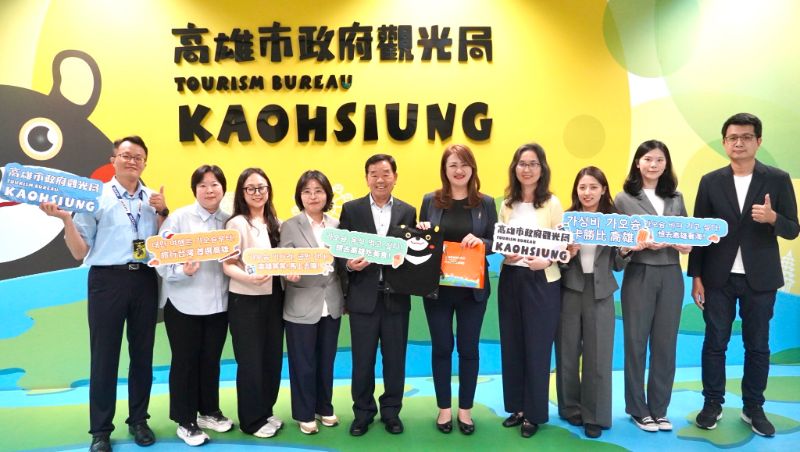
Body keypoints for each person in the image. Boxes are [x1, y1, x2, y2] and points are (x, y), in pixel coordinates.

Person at [39, 136, 168, 452]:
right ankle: (100, 431)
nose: (132, 161)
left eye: (138, 156)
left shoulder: (153, 199)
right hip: (106, 281)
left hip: (144, 280)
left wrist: (164, 212)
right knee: (104, 358)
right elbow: (79, 251)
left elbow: (162, 244)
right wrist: (66, 219)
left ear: (145, 163)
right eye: (126, 155)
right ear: (113, 160)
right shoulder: (95, 197)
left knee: (143, 356)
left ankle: (139, 420)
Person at [690, 113, 799, 436]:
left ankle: (753, 407)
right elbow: (699, 233)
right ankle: (712, 404)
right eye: (733, 138)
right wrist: (696, 277)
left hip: (760, 278)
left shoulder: (777, 179)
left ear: (758, 141)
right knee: (714, 343)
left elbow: (793, 228)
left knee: (758, 345)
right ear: (725, 143)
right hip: (717, 278)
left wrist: (773, 217)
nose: (739, 143)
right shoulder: (710, 181)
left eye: (746, 137)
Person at [416, 144, 497, 435]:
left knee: (468, 350)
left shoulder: (485, 203)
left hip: (472, 292)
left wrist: (482, 243)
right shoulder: (430, 201)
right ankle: (443, 409)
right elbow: (421, 243)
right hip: (437, 291)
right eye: (453, 165)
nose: (459, 170)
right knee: (441, 348)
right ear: (445, 170)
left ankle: (465, 410)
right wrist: (421, 232)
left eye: (464, 164)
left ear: (472, 168)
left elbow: (495, 241)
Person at [615, 140, 690, 433]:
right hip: (639, 273)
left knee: (665, 345)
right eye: (647, 159)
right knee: (635, 343)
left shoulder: (676, 197)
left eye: (659, 159)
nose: (653, 165)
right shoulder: (623, 199)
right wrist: (634, 245)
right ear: (638, 162)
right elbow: (617, 245)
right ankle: (638, 409)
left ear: (666, 164)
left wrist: (678, 242)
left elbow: (688, 238)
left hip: (671, 274)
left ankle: (659, 409)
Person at [339, 154, 416, 436]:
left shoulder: (408, 211)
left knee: (395, 361)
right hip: (363, 298)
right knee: (362, 361)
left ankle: (391, 412)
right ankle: (363, 413)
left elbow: (414, 251)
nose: (380, 179)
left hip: (396, 298)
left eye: (385, 173)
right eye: (374, 174)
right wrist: (349, 264)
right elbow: (340, 250)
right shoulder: (352, 209)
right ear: (366, 178)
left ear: (395, 177)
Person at [556, 166, 635, 439]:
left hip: (601, 291)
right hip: (569, 289)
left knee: (598, 355)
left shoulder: (615, 221)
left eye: (593, 187)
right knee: (567, 352)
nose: (587, 192)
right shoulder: (565, 219)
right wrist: (566, 253)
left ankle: (595, 415)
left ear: (603, 190)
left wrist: (625, 251)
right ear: (576, 191)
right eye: (582, 187)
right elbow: (557, 262)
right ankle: (570, 407)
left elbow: (617, 264)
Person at [157, 165, 233, 446]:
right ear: (194, 190)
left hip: (219, 304)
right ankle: (185, 420)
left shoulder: (229, 221)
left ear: (223, 189)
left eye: (214, 184)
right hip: (183, 303)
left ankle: (209, 411)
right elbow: (161, 260)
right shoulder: (178, 219)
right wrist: (182, 271)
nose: (209, 190)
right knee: (185, 362)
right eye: (203, 185)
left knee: (211, 360)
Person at [497, 143, 564, 438]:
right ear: (515, 168)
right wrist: (506, 254)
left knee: (537, 348)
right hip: (511, 279)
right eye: (522, 163)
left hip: (542, 281)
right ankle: (517, 408)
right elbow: (501, 238)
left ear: (542, 168)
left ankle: (534, 414)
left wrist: (546, 259)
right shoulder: (507, 204)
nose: (527, 169)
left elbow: (563, 241)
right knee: (512, 345)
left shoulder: (551, 203)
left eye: (533, 164)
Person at [279, 170, 344, 435]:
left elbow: (342, 265)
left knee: (326, 360)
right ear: (300, 196)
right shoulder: (289, 225)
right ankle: (304, 413)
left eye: (318, 191)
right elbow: (283, 260)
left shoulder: (337, 225)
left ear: (327, 195)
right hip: (301, 303)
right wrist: (287, 271)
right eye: (307, 191)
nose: (313, 196)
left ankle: (324, 407)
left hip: (332, 302)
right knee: (303, 363)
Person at [222, 168, 284, 439]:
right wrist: (250, 278)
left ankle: (265, 410)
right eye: (251, 188)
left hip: (274, 297)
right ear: (242, 192)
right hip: (246, 300)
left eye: (262, 187)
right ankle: (251, 420)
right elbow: (228, 265)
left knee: (271, 358)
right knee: (250, 361)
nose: (257, 193)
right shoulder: (236, 224)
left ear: (268, 190)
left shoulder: (276, 222)